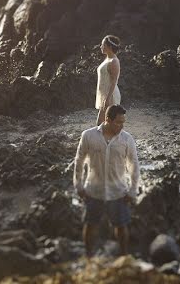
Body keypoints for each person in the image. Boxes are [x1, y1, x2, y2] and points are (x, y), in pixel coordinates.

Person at [73, 104, 140, 257]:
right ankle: (89, 256)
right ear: (107, 120)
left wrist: (133, 190)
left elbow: (134, 165)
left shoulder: (127, 139)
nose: (121, 126)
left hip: (118, 191)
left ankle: (124, 256)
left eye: (123, 122)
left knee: (121, 226)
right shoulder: (88, 136)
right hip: (93, 190)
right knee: (90, 225)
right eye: (118, 122)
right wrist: (78, 185)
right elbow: (79, 161)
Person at [95, 35, 121, 126]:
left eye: (102, 44)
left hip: (110, 95)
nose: (101, 46)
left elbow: (114, 81)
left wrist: (108, 98)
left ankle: (114, 139)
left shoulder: (114, 61)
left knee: (103, 123)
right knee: (104, 123)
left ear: (109, 47)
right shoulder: (107, 59)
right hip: (105, 94)